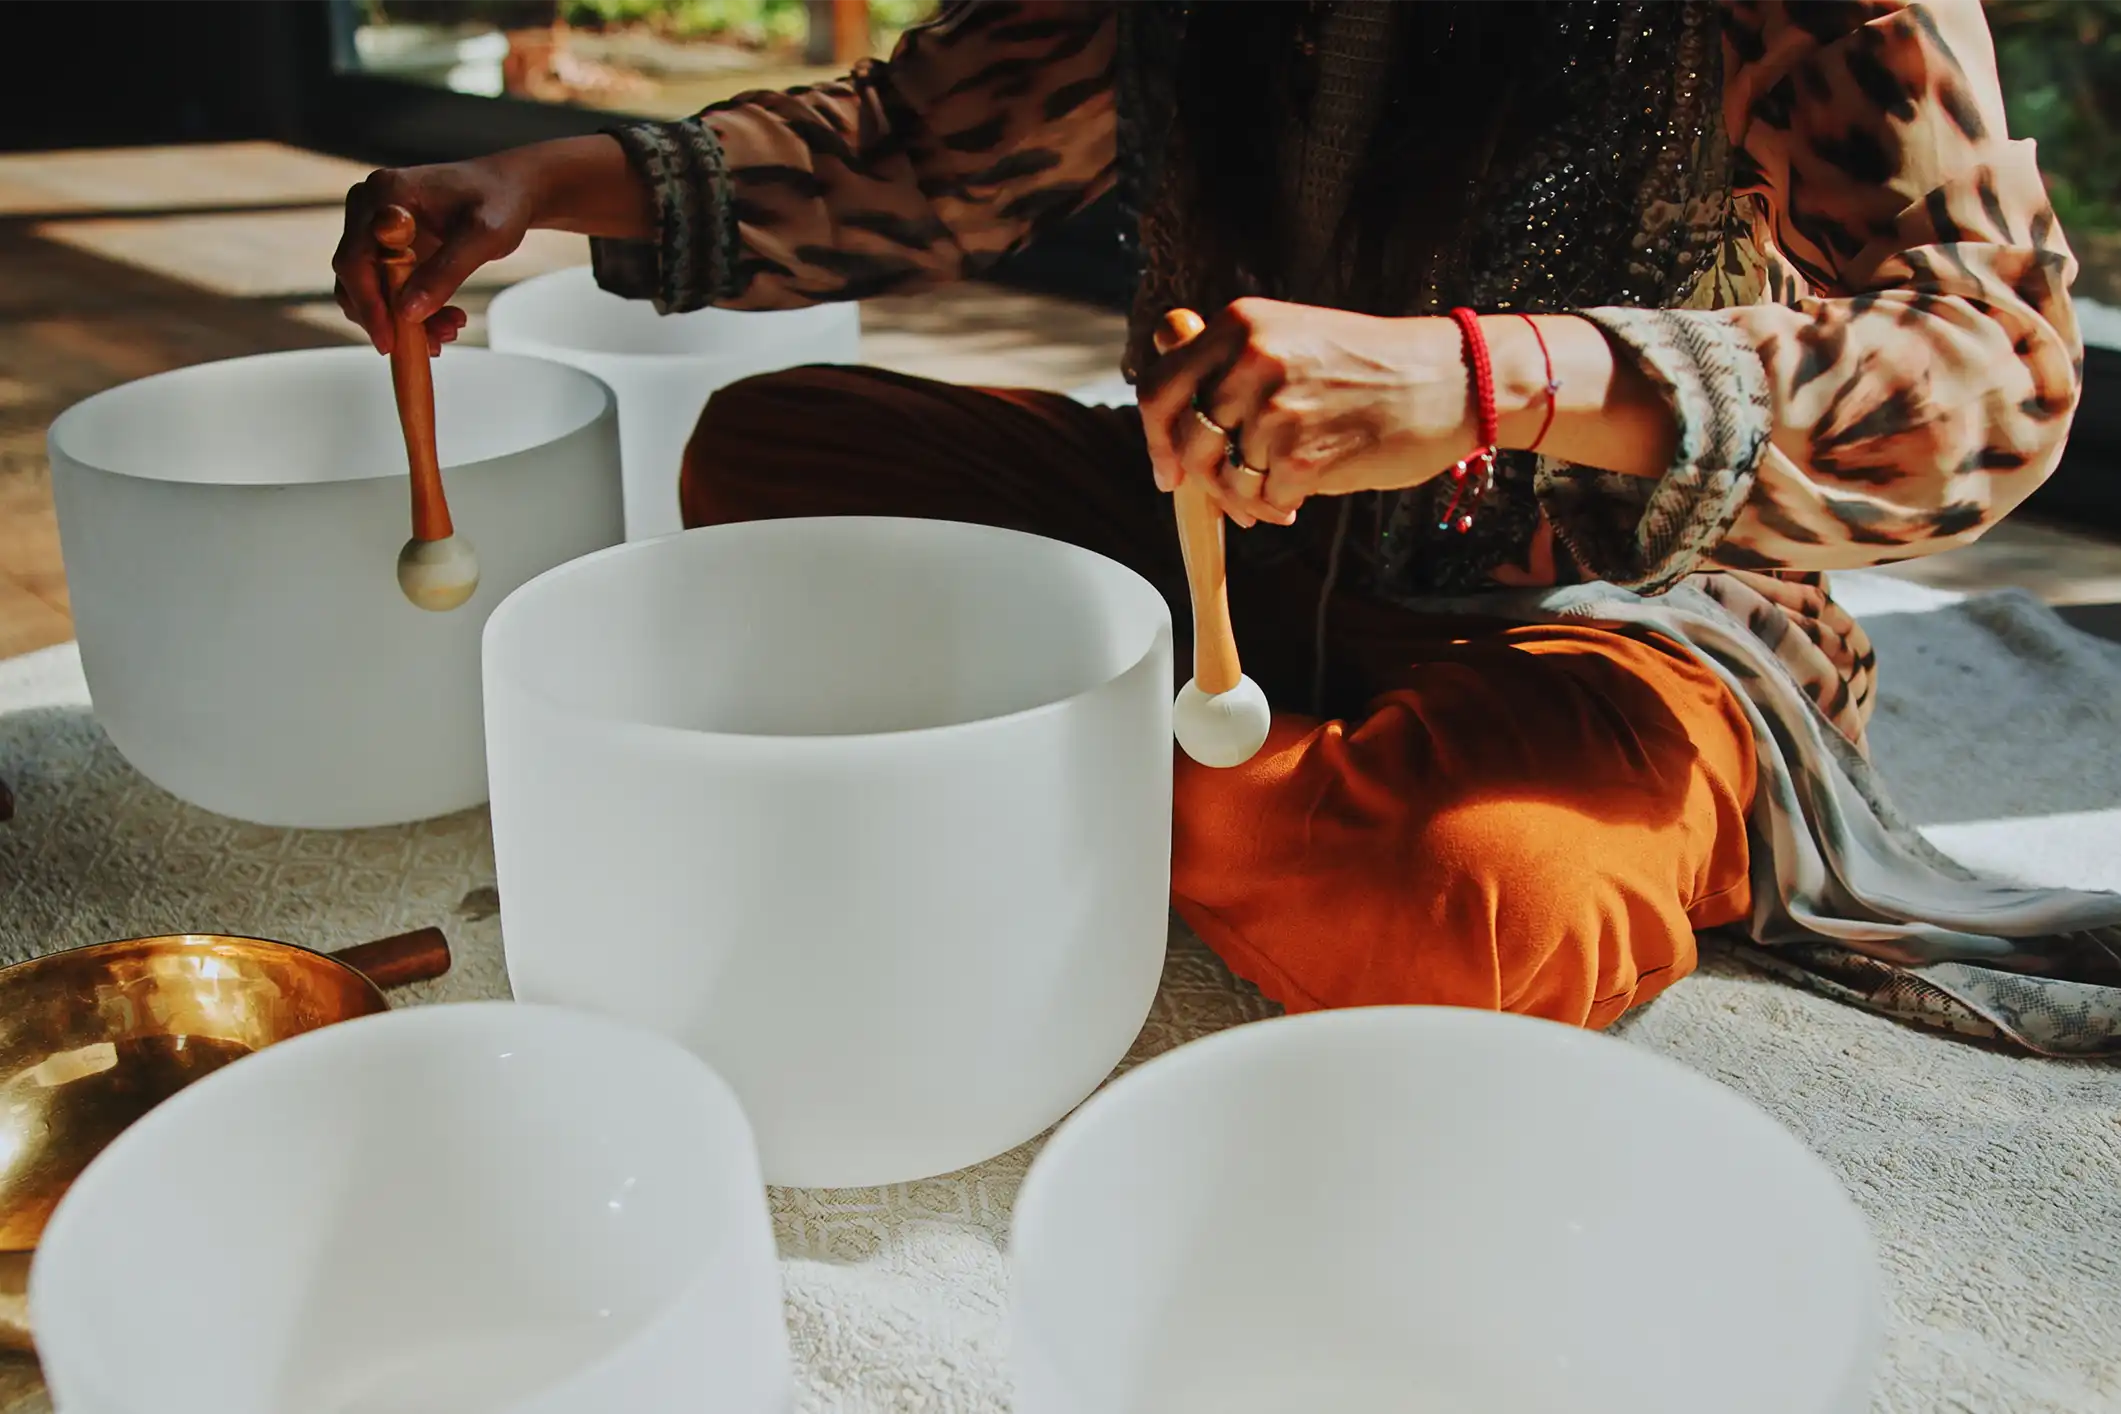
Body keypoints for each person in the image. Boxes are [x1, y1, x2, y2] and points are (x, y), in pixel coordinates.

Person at [336, 0, 2121, 1054]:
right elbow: (917, 146)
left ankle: (1044, 772)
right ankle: (1204, 774)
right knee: (774, 452)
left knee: (1475, 907)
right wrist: (538, 182)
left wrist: (1488, 378)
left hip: (1607, 605)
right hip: (1212, 518)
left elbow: (1998, 365)